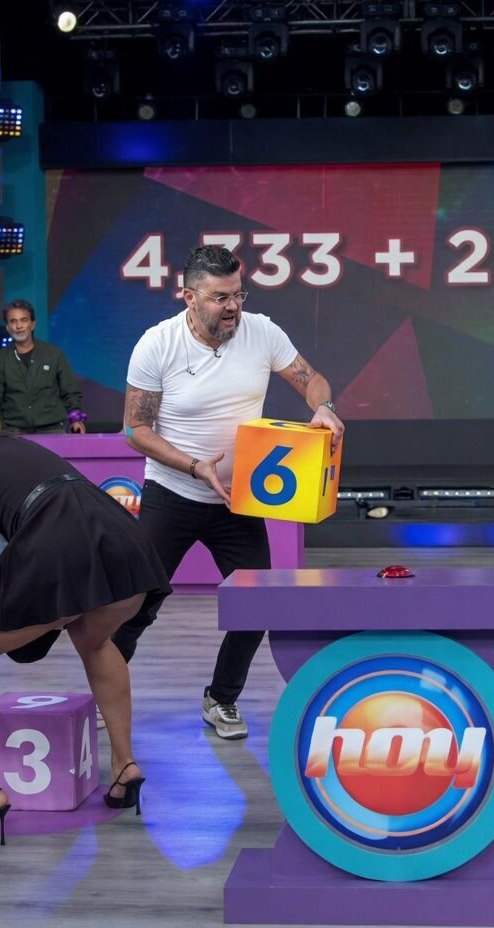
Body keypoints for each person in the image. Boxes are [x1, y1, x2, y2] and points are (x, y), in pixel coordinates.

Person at [113, 245, 344, 741]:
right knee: (135, 605)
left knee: (256, 605)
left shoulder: (262, 332)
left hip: (237, 501)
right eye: (220, 297)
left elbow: (311, 379)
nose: (233, 306)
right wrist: (195, 467)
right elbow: (135, 430)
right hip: (172, 491)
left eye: (239, 294)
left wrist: (323, 407)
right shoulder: (157, 344)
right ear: (189, 297)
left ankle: (221, 699)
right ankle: (104, 691)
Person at [0, 409, 170, 845]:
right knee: (94, 638)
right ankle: (125, 765)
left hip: (59, 549)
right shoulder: (15, 447)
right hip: (124, 540)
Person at [0, 299, 88, 435]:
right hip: (14, 432)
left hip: (52, 429)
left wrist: (75, 419)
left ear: (32, 324)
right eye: (13, 321)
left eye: (24, 320)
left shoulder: (53, 354)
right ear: (8, 328)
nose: (19, 326)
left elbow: (71, 392)